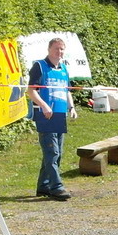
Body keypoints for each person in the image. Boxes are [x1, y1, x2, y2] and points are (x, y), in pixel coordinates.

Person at [27, 38, 77, 200]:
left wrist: (72, 107)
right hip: (45, 115)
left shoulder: (64, 69)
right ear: (49, 49)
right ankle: (57, 187)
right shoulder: (39, 66)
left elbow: (67, 91)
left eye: (62, 49)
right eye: (56, 48)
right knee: (52, 152)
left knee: (57, 152)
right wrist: (43, 106)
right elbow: (31, 91)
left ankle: (44, 186)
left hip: (60, 114)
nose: (59, 52)